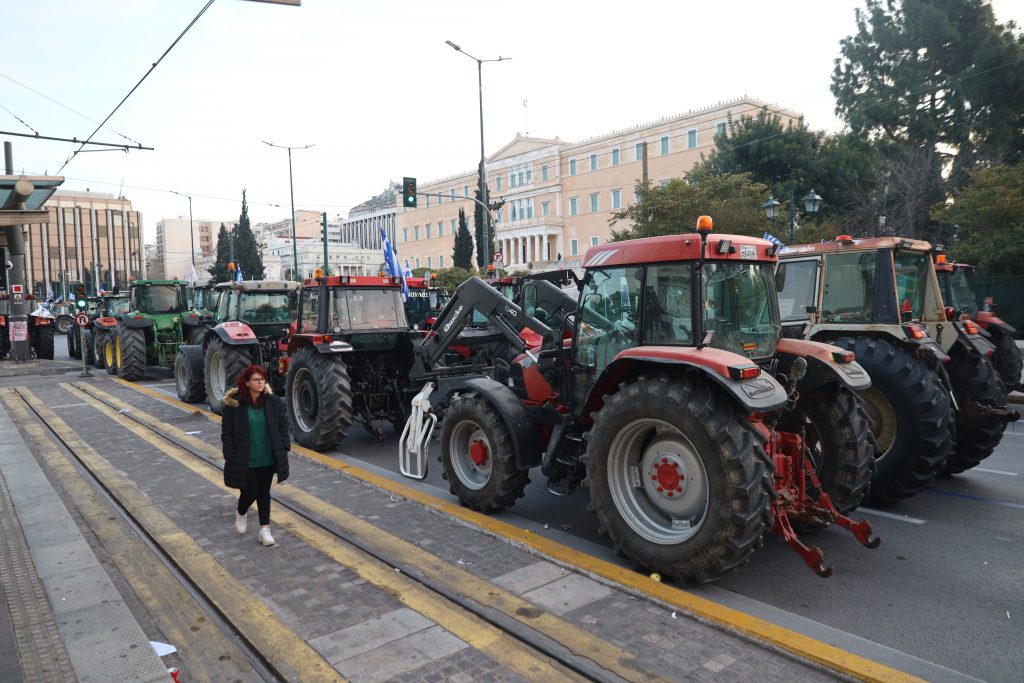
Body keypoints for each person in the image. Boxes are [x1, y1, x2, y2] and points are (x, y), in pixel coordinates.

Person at [221, 365, 290, 546]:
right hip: (245, 457)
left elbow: (282, 425)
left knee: (264, 492)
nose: (261, 383)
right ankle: (241, 511)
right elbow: (227, 432)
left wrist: (285, 444)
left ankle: (264, 530)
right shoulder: (234, 405)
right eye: (256, 380)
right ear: (246, 383)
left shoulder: (273, 401)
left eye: (262, 379)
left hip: (267, 455)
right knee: (250, 491)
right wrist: (229, 453)